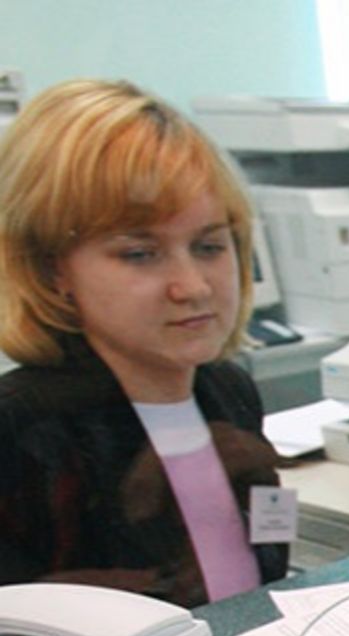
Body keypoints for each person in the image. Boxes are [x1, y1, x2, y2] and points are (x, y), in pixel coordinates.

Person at [0, 79, 288, 607]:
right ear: (51, 268)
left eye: (208, 246)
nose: (194, 287)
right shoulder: (19, 426)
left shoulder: (229, 390)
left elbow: (267, 553)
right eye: (139, 253)